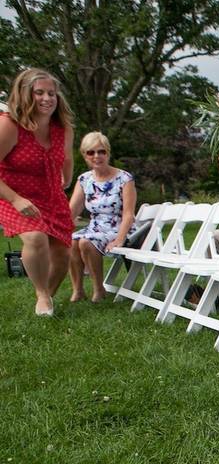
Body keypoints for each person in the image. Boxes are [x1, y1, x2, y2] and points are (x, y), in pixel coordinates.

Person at [0, 68, 75, 316]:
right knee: (35, 238)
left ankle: (48, 298)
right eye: (39, 93)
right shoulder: (9, 125)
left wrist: (66, 177)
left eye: (51, 93)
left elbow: (67, 157)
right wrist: (15, 199)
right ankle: (42, 295)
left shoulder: (62, 127)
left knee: (63, 255)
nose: (47, 98)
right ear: (24, 95)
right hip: (13, 193)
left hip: (52, 196)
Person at [67, 132, 137, 302]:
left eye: (101, 151)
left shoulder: (124, 178)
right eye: (91, 152)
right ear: (84, 155)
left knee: (85, 242)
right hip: (95, 227)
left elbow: (128, 214)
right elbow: (71, 211)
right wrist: (58, 232)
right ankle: (78, 289)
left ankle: (99, 288)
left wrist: (119, 239)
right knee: (70, 240)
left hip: (120, 227)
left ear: (108, 153)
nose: (96, 156)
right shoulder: (84, 179)